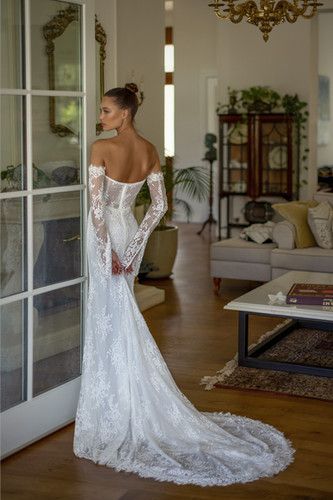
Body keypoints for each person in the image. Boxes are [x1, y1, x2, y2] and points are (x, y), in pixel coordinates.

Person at [72, 83, 295, 487]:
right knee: (118, 314)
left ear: (124, 113)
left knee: (109, 314)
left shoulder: (100, 148)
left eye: (106, 111)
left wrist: (108, 252)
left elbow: (95, 209)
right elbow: (158, 206)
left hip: (105, 236)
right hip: (127, 235)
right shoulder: (151, 150)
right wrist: (135, 248)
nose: (100, 117)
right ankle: (123, 398)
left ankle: (113, 408)